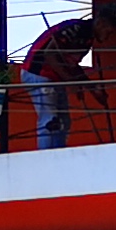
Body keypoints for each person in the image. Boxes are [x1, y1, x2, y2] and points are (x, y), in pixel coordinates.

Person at [22, 14, 97, 151]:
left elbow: (72, 64)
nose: (110, 34)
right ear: (103, 22)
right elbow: (50, 55)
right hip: (39, 73)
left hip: (55, 77)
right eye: (110, 29)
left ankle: (58, 153)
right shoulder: (76, 29)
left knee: (63, 121)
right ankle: (45, 155)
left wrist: (91, 88)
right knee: (50, 118)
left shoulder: (87, 38)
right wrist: (71, 82)